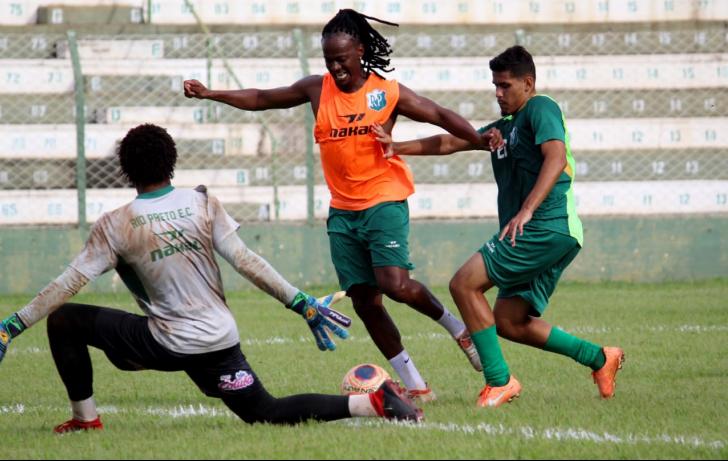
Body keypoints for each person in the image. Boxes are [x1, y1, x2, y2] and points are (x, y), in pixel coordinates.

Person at [0, 123, 423, 433]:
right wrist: (302, 303)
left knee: (66, 320)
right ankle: (373, 403)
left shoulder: (117, 223)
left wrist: (11, 327)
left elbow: (67, 284)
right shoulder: (201, 203)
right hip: (219, 338)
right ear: (172, 162)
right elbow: (247, 261)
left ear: (125, 172)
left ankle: (85, 420)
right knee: (265, 411)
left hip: (168, 342)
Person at [183, 9, 495, 401]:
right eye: (329, 59)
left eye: (342, 58)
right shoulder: (317, 89)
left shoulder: (387, 92)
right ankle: (416, 385)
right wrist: (212, 93)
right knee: (366, 301)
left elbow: (439, 114)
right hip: (342, 211)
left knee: (393, 284)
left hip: (384, 198)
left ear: (360, 51)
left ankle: (457, 329)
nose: (335, 66)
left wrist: (480, 139)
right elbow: (263, 98)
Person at [373, 46, 624, 408]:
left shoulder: (541, 108)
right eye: (495, 86)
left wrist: (526, 210)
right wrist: (396, 147)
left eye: (505, 85)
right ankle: (600, 358)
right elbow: (450, 141)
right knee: (510, 320)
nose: (498, 93)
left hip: (545, 225)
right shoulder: (503, 128)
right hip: (548, 233)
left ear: (528, 83)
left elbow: (555, 157)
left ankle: (499, 381)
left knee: (464, 283)